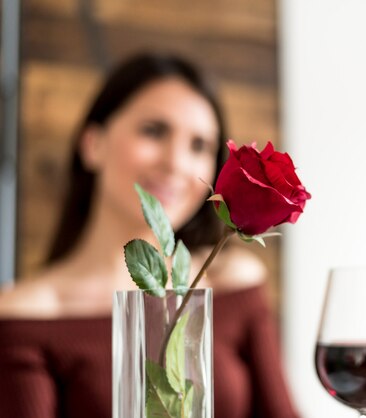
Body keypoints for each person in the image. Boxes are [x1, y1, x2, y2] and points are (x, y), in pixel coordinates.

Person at [0, 52, 299, 418]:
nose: (176, 163)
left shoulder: (235, 281)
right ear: (92, 144)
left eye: (199, 146)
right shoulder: (25, 316)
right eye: (154, 131)